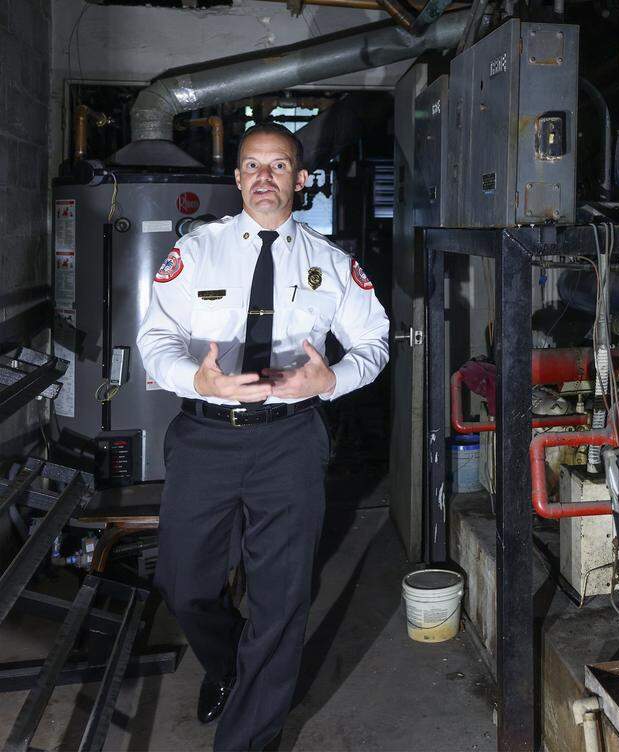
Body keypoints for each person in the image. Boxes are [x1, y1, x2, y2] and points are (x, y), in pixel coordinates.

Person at [137, 122, 389, 751]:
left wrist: (331, 380)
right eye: (252, 166)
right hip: (205, 436)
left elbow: (374, 341)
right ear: (237, 177)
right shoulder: (198, 251)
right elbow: (156, 337)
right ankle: (231, 667)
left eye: (278, 166)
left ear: (300, 179)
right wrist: (197, 380)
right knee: (184, 586)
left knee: (281, 600)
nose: (263, 178)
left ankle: (248, 737)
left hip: (290, 440)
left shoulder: (331, 264)